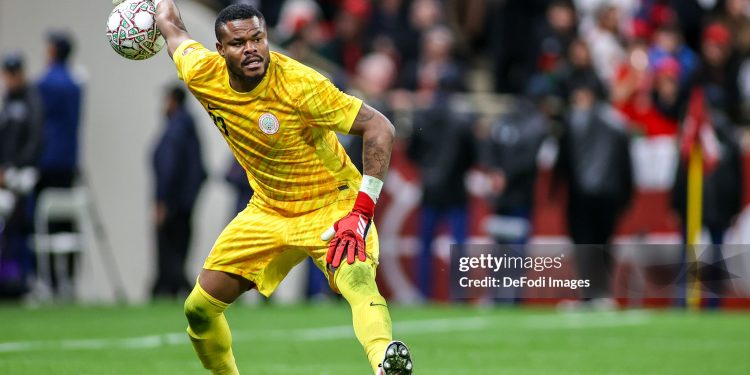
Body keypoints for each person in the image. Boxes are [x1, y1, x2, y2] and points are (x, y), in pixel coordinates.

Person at [123, 1, 413, 374]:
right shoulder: (200, 73)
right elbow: (172, 26)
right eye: (239, 43)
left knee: (356, 278)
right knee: (198, 308)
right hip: (269, 209)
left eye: (258, 39)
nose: (252, 49)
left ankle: (383, 362)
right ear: (220, 50)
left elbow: (381, 128)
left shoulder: (300, 84)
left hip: (332, 203)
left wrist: (361, 213)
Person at [34, 31, 83, 297]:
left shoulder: (46, 84)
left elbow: (37, 122)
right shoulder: (76, 85)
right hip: (70, 162)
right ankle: (69, 280)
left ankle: (49, 281)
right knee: (68, 222)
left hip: (48, 163)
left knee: (44, 222)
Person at [150, 85, 207, 299]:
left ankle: (174, 289)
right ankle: (172, 288)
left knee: (169, 249)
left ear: (173, 101)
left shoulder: (176, 129)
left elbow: (168, 166)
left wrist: (161, 200)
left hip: (174, 203)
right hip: (185, 202)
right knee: (180, 247)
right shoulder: (189, 127)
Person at [0, 53, 43, 298]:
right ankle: (8, 280)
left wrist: (16, 169)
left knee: (22, 227)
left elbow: (35, 140)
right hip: (6, 174)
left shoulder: (32, 100)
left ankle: (23, 280)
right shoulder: (8, 101)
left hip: (23, 175)